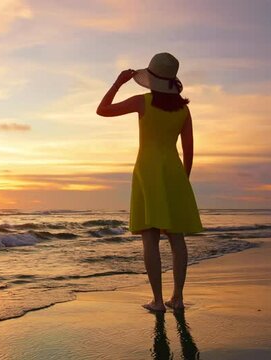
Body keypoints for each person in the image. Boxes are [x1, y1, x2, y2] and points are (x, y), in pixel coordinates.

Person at [96, 52, 205, 312]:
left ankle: (157, 301)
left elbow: (102, 110)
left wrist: (118, 82)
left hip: (147, 171)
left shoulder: (143, 102)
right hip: (174, 173)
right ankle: (177, 298)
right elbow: (188, 151)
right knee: (177, 238)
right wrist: (183, 180)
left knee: (150, 238)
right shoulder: (183, 110)